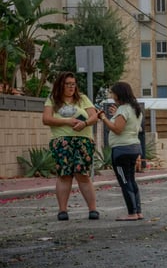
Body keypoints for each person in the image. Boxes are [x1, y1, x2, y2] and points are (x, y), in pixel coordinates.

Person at [41, 72, 100, 221]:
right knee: (64, 174)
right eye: (68, 84)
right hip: (62, 141)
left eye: (73, 84)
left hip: (83, 140)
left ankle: (93, 209)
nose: (71, 87)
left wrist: (84, 123)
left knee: (83, 174)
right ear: (61, 85)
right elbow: (46, 119)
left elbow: (94, 116)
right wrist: (67, 121)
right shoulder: (53, 100)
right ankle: (62, 210)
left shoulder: (83, 99)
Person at [97, 82, 143, 221]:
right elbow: (128, 125)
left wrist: (104, 118)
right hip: (134, 147)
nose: (112, 95)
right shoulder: (134, 108)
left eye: (113, 93)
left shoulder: (123, 109)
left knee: (124, 181)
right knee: (131, 180)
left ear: (119, 94)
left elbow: (118, 129)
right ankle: (138, 211)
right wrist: (115, 113)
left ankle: (132, 213)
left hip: (122, 150)